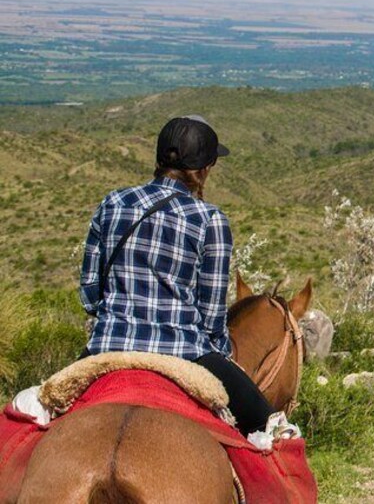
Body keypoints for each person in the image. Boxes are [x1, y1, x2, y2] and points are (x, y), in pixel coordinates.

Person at [78, 115, 276, 436]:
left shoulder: (112, 203)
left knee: (41, 413)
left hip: (108, 346)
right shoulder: (210, 219)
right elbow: (212, 318)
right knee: (268, 427)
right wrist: (223, 356)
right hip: (185, 352)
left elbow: (89, 294)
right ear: (202, 170)